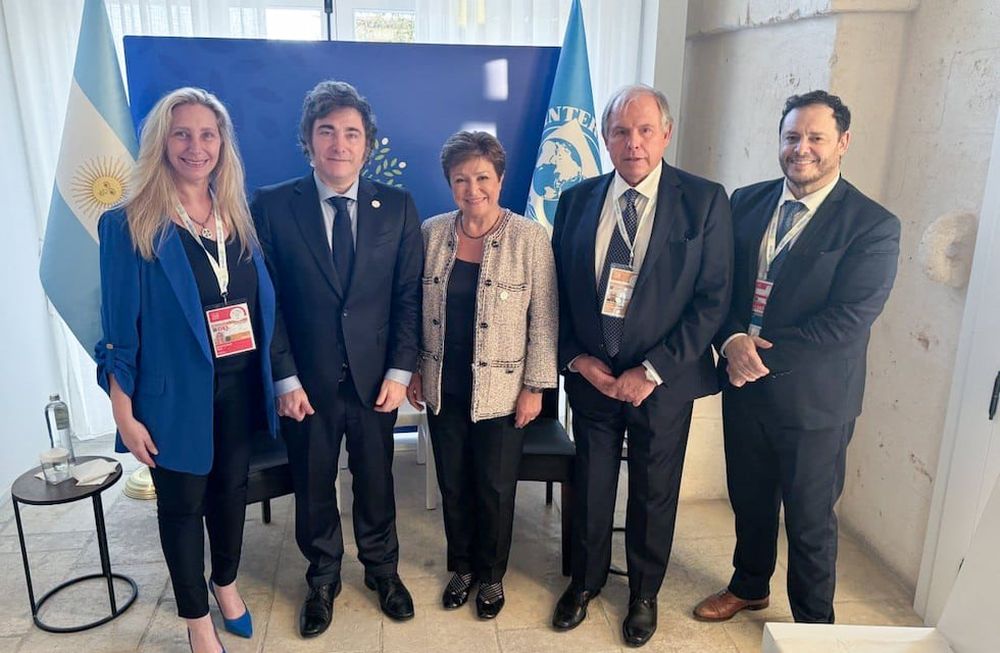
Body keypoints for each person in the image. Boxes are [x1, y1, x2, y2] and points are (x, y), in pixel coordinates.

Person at [693, 91, 900, 625]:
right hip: (745, 386)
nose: (800, 149)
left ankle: (814, 626)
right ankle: (748, 586)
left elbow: (850, 317)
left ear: (842, 143)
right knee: (750, 499)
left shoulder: (872, 224)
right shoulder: (746, 202)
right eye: (791, 137)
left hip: (814, 400)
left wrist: (759, 355)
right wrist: (732, 338)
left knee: (809, 520)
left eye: (815, 138)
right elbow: (720, 284)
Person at [96, 87, 279, 653]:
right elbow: (119, 336)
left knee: (230, 494)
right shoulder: (129, 224)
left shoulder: (237, 218)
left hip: (240, 388)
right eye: (182, 133)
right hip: (173, 398)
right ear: (161, 143)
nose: (195, 146)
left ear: (222, 144)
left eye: (207, 134)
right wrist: (124, 415)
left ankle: (224, 583)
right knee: (182, 508)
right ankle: (197, 619)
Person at [550, 84, 733, 647]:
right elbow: (556, 291)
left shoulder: (703, 201)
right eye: (621, 131)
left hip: (661, 383)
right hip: (593, 378)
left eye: (645, 130)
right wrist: (577, 359)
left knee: (655, 490)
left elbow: (713, 300)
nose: (633, 142)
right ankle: (584, 582)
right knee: (592, 484)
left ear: (666, 134)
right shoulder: (576, 200)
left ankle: (644, 593)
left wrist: (650, 370)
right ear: (604, 138)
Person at [250, 80, 422, 637]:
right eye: (327, 132)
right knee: (314, 481)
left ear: (367, 144)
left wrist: (401, 372)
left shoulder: (396, 206)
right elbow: (265, 302)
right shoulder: (274, 206)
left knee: (377, 480)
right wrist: (284, 378)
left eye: (352, 133)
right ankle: (322, 575)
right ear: (308, 140)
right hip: (306, 384)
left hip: (376, 383)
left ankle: (382, 570)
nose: (339, 144)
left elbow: (407, 296)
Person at [406, 131, 557, 619]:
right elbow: (412, 309)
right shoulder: (431, 233)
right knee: (454, 482)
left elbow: (546, 319)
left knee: (494, 488)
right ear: (450, 183)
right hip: (442, 387)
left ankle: (491, 577)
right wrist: (411, 372)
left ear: (501, 179)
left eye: (483, 178)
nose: (473, 190)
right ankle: (462, 567)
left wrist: (535, 387)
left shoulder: (529, 237)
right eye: (461, 180)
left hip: (503, 391)